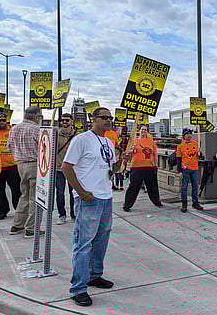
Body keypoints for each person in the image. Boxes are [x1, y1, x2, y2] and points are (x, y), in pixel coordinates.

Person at [62, 107, 125, 307]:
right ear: (93, 119)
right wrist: (81, 192)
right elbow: (66, 167)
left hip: (106, 197)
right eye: (104, 117)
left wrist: (123, 157)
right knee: (83, 243)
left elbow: (111, 169)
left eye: (110, 118)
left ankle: (94, 275)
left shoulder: (108, 141)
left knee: (101, 240)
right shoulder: (81, 139)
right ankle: (78, 288)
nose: (108, 120)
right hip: (89, 199)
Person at [7, 106, 44, 238]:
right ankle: (31, 228)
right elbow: (43, 149)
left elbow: (9, 148)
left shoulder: (14, 128)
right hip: (34, 164)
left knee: (24, 195)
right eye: (40, 116)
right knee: (35, 197)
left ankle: (17, 225)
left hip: (20, 165)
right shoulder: (36, 129)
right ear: (35, 116)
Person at [122, 125, 163, 211]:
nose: (143, 131)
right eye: (142, 129)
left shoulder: (151, 141)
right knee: (133, 186)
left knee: (152, 186)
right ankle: (127, 205)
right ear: (139, 131)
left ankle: (157, 201)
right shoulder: (134, 140)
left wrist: (156, 164)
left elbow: (155, 153)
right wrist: (131, 151)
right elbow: (128, 154)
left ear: (147, 131)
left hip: (149, 166)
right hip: (137, 167)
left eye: (145, 129)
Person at [0, 112, 22, 221]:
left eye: (3, 120)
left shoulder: (12, 131)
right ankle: (2, 211)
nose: (1, 122)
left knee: (16, 190)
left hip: (12, 166)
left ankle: (19, 211)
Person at [55, 113, 77, 225]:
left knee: (73, 192)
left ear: (71, 121)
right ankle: (62, 215)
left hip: (73, 169)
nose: (64, 122)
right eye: (62, 120)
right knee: (59, 193)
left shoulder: (77, 135)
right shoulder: (55, 134)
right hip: (58, 169)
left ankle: (74, 213)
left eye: (67, 120)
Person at [176, 128, 204, 212]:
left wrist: (200, 153)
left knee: (195, 186)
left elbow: (200, 156)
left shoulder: (196, 144)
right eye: (187, 134)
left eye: (190, 134)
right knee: (184, 187)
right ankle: (184, 203)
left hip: (194, 168)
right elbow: (178, 159)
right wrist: (179, 171)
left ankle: (195, 202)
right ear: (184, 135)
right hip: (185, 169)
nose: (188, 135)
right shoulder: (180, 146)